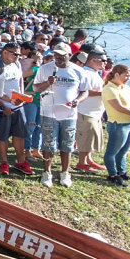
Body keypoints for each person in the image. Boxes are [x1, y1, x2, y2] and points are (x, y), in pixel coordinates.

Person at [33, 42, 86, 188]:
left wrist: (78, 101)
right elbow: (35, 88)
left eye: (62, 55)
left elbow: (84, 91)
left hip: (69, 113)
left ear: (70, 55)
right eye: (56, 54)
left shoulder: (78, 71)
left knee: (67, 144)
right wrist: (47, 83)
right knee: (48, 143)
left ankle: (65, 173)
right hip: (48, 112)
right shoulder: (45, 69)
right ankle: (46, 173)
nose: (58, 58)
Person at [102, 64, 130, 186]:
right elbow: (119, 107)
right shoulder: (109, 89)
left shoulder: (125, 87)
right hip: (118, 125)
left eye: (129, 76)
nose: (128, 78)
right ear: (117, 74)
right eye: (126, 76)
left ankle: (122, 172)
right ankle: (112, 175)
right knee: (112, 152)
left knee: (124, 150)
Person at [0, 42, 27, 176]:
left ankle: (21, 161)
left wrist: (22, 96)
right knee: (2, 137)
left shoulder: (17, 64)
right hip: (3, 108)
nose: (18, 57)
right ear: (5, 52)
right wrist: (3, 105)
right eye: (15, 54)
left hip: (18, 107)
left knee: (19, 135)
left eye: (19, 54)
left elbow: (20, 80)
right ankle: (4, 162)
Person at [74, 46, 108, 173]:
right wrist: (103, 93)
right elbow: (85, 91)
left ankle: (89, 159)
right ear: (93, 60)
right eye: (103, 60)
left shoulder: (94, 73)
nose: (105, 63)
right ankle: (81, 162)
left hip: (95, 112)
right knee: (86, 137)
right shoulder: (86, 73)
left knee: (92, 137)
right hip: (85, 111)